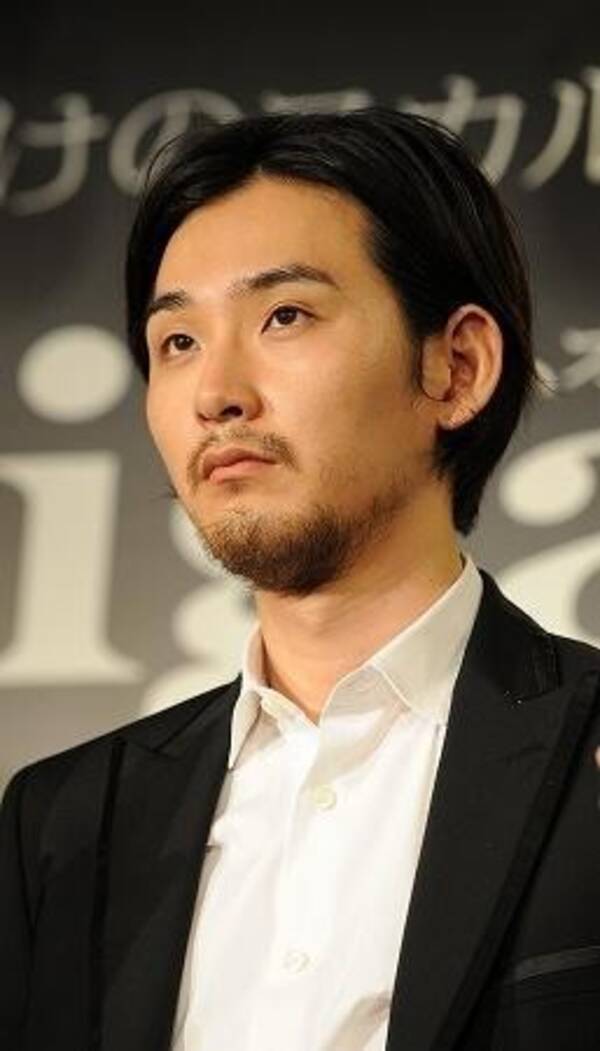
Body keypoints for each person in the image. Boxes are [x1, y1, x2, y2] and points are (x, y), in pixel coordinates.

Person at [1, 107, 599, 1051]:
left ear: (457, 367)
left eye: (285, 315)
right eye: (177, 342)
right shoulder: (63, 821)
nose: (216, 394)